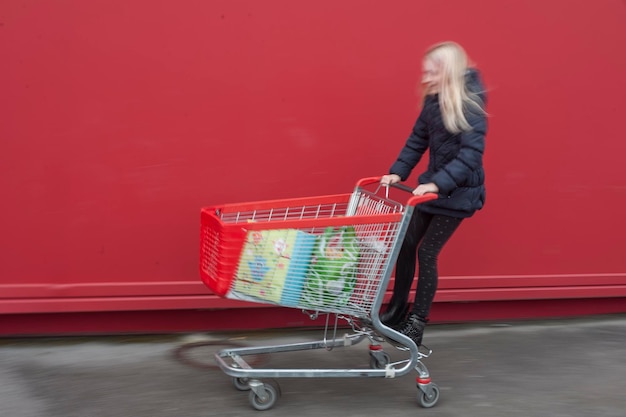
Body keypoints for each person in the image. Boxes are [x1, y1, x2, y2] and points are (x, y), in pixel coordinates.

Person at [379, 41, 488, 346]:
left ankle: (417, 323)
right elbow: (417, 140)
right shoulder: (432, 101)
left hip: (460, 193)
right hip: (432, 188)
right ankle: (396, 311)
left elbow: (471, 156)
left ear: (448, 71)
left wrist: (437, 184)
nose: (426, 76)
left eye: (432, 71)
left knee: (427, 252)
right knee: (406, 242)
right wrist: (398, 171)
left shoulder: (469, 104)